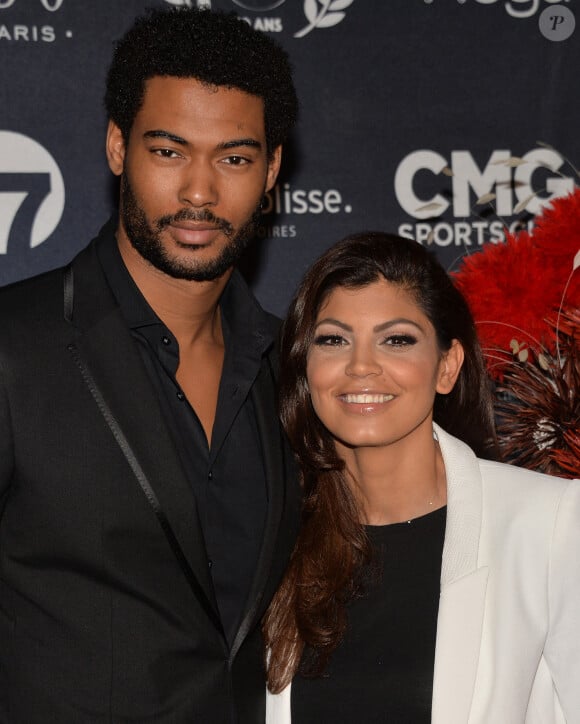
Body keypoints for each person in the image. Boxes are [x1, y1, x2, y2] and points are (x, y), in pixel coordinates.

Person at [0, 7, 300, 723]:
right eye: (169, 151)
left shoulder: (290, 366)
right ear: (116, 147)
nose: (199, 192)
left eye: (234, 158)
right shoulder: (14, 349)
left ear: (272, 171)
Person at [263, 232, 580, 723]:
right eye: (333, 339)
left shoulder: (548, 523)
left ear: (446, 367)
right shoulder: (273, 530)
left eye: (397, 340)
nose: (361, 366)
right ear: (306, 367)